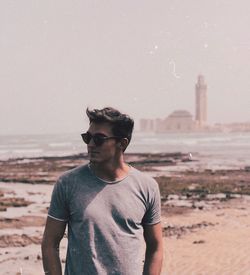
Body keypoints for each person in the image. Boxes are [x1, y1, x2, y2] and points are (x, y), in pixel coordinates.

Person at [42, 107, 163, 275]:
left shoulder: (147, 187)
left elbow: (155, 247)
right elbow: (50, 243)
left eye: (99, 139)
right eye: (87, 138)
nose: (90, 144)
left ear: (122, 143)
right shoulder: (67, 183)